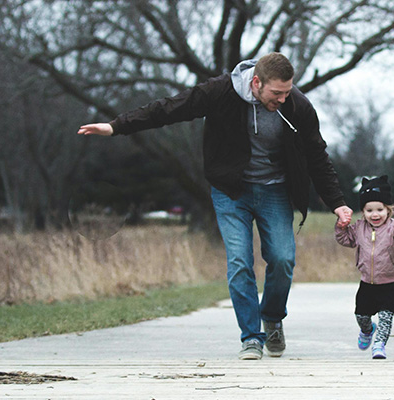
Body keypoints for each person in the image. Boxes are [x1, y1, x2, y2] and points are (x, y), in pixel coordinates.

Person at [77, 52, 353, 360]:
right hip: (230, 190)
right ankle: (251, 337)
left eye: (287, 92)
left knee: (283, 258)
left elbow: (317, 156)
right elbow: (170, 108)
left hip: (274, 190)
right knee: (239, 262)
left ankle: (273, 317)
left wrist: (338, 204)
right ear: (256, 82)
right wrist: (116, 127)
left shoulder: (297, 106)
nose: (282, 99)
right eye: (277, 93)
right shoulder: (221, 91)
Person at [335, 175, 394, 359]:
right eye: (369, 210)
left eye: (380, 209)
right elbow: (345, 240)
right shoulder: (358, 228)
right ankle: (367, 329)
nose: (375, 214)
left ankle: (379, 346)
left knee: (386, 318)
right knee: (361, 316)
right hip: (367, 283)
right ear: (363, 212)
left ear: (388, 209)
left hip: (391, 283)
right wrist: (341, 227)